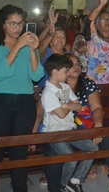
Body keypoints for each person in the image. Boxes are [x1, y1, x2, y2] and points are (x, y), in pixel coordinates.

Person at [0, 4, 44, 192]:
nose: (18, 27)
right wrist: (17, 46)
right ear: (3, 24)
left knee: (19, 153)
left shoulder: (26, 46)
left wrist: (32, 50)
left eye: (20, 23)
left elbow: (36, 75)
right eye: (13, 23)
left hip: (24, 101)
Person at [41, 54, 98, 192]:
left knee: (93, 148)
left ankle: (75, 180)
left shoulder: (64, 87)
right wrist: (68, 106)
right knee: (71, 158)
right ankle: (63, 185)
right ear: (55, 72)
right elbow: (60, 114)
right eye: (65, 71)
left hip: (70, 130)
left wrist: (66, 105)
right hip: (54, 133)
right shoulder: (48, 92)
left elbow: (78, 106)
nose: (68, 74)